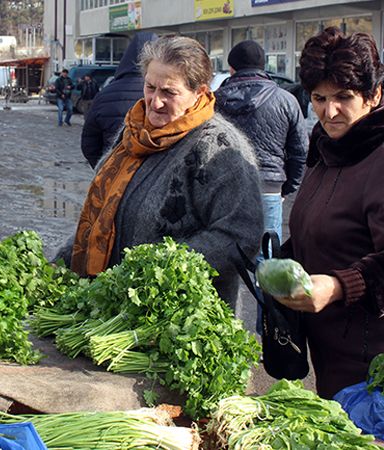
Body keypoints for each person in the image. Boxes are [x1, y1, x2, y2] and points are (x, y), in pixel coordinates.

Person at [276, 27, 384, 399]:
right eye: (318, 98)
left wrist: (337, 286)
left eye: (343, 97)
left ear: (372, 95)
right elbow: (324, 228)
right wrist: (280, 264)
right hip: (338, 354)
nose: (328, 110)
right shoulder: (330, 146)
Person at [52, 36, 263, 308]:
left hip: (181, 323)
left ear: (199, 92)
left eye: (169, 92)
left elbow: (240, 236)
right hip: (116, 312)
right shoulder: (134, 133)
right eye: (150, 87)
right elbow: (99, 218)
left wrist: (155, 269)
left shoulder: (217, 146)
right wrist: (56, 267)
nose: (155, 101)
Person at [214, 40, 308, 246]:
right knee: (267, 259)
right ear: (263, 66)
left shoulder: (215, 101)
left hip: (224, 189)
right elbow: (301, 151)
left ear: (231, 67)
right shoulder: (286, 100)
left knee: (224, 255)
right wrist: (287, 188)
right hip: (269, 187)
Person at [81, 32, 158, 169]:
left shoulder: (105, 94)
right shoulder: (167, 93)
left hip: (114, 172)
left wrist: (105, 169)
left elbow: (89, 144)